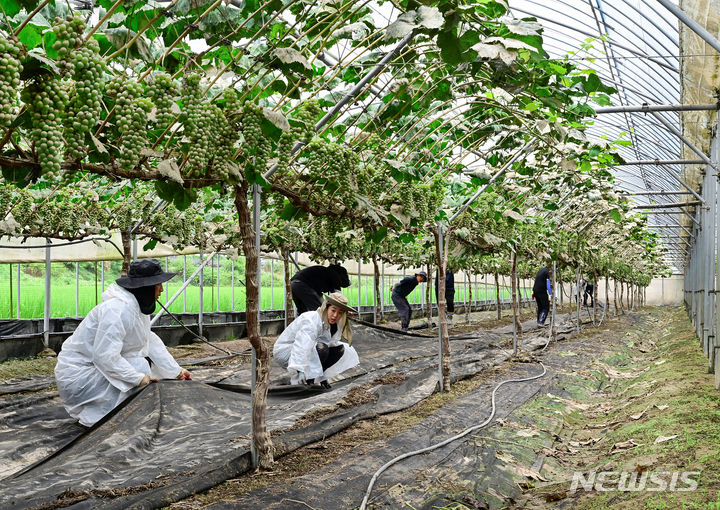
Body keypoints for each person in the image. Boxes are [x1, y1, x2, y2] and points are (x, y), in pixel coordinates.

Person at [54, 258, 192, 427]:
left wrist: (176, 371)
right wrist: (138, 378)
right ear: (146, 287)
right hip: (79, 378)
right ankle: (105, 418)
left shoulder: (135, 308)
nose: (162, 290)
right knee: (139, 365)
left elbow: (148, 341)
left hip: (94, 370)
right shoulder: (116, 310)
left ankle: (122, 413)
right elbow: (105, 356)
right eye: (158, 285)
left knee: (141, 363)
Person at [273, 292, 359, 389]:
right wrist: (299, 370)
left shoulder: (331, 323)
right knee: (322, 348)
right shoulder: (312, 319)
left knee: (339, 349)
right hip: (285, 351)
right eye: (333, 310)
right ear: (326, 308)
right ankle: (306, 381)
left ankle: (315, 378)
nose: (335, 315)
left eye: (340, 313)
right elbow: (302, 344)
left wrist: (323, 377)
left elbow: (331, 343)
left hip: (310, 348)